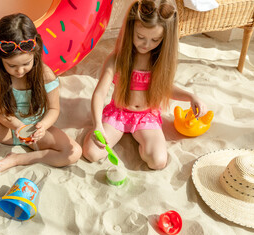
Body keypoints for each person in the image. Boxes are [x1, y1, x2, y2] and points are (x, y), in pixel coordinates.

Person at [0, 13, 82, 184]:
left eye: (26, 64)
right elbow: (1, 114)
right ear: (0, 57)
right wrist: (18, 126)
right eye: (12, 66)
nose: (20, 71)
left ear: (35, 53)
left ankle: (18, 159)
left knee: (74, 152)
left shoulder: (45, 74)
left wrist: (42, 126)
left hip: (36, 131)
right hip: (6, 129)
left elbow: (54, 109)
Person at [82, 0, 207, 170]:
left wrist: (191, 96)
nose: (146, 45)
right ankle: (110, 132)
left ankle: (142, 141)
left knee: (158, 161)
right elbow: (99, 94)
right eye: (140, 37)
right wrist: (97, 125)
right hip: (118, 113)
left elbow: (166, 89)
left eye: (155, 40)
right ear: (130, 31)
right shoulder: (117, 59)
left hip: (145, 117)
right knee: (92, 153)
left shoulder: (158, 61)